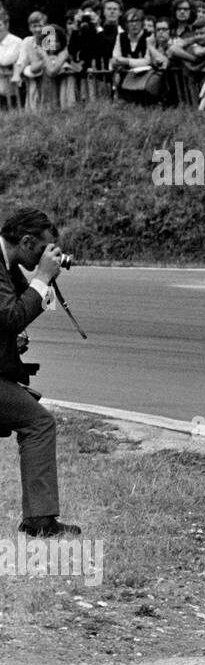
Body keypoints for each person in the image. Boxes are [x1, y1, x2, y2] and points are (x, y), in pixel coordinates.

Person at [0, 208, 79, 537]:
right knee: (38, 423)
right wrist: (42, 278)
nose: (48, 256)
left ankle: (39, 519)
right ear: (27, 241)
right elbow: (10, 317)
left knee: (36, 421)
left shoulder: (8, 266)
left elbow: (19, 312)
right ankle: (40, 521)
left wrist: (44, 281)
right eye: (44, 249)